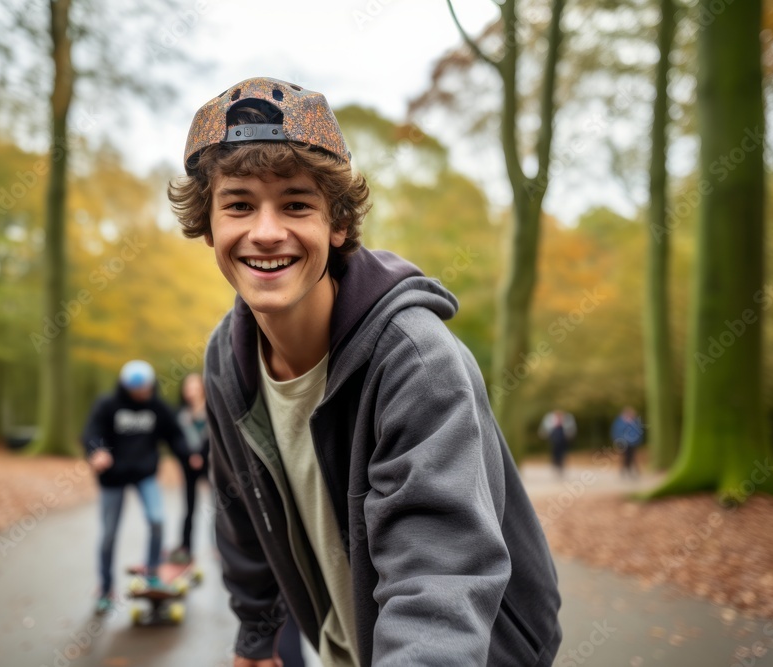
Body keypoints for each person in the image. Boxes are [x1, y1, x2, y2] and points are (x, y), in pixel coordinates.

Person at [169, 77, 561, 666]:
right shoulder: (227, 359)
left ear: (339, 224)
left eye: (296, 203)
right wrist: (257, 635)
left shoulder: (416, 361)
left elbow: (440, 575)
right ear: (209, 226)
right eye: (240, 204)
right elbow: (239, 509)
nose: (267, 230)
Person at [81, 360, 193, 614]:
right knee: (109, 534)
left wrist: (189, 456)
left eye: (146, 388)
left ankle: (153, 572)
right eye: (137, 390)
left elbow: (174, 435)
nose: (143, 393)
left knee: (157, 520)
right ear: (125, 387)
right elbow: (91, 432)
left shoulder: (156, 407)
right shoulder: (108, 405)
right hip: (113, 477)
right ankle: (106, 588)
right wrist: (96, 451)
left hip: (144, 474)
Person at [168, 372, 210, 565]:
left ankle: (221, 546)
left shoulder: (212, 411)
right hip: (188, 466)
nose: (191, 391)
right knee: (189, 507)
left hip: (211, 464)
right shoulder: (181, 415)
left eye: (194, 386)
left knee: (221, 505)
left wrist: (201, 456)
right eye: (188, 387)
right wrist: (188, 457)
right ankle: (186, 547)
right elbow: (175, 440)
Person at [538, 409, 576, 478]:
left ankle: (561, 464)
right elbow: (545, 426)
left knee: (562, 452)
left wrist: (570, 435)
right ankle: (556, 463)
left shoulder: (567, 417)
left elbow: (571, 427)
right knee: (554, 451)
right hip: (554, 435)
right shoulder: (549, 418)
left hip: (563, 436)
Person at [610, 407, 644, 478]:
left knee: (633, 457)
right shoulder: (619, 422)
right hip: (623, 443)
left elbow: (638, 432)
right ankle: (624, 471)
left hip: (633, 443)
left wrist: (637, 440)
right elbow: (616, 432)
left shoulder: (635, 422)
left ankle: (632, 471)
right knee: (625, 457)